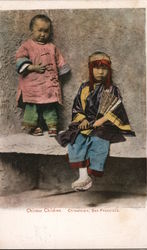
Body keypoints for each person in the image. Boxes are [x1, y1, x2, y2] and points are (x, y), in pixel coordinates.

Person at [56, 51, 135, 191]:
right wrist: (83, 119)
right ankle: (83, 175)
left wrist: (102, 121)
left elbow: (116, 110)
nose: (100, 72)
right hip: (87, 123)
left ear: (108, 70)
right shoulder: (84, 88)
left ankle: (91, 175)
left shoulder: (112, 89)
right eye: (96, 68)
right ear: (90, 69)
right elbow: (77, 107)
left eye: (104, 68)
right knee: (76, 137)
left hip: (105, 125)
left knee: (99, 138)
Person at [16, 14, 70, 136]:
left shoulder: (52, 47)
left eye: (46, 31)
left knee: (50, 104)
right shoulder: (27, 46)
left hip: (48, 84)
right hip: (32, 84)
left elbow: (59, 60)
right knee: (32, 106)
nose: (42, 34)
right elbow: (19, 59)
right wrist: (32, 67)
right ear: (32, 30)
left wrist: (61, 71)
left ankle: (52, 126)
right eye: (39, 30)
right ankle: (34, 126)